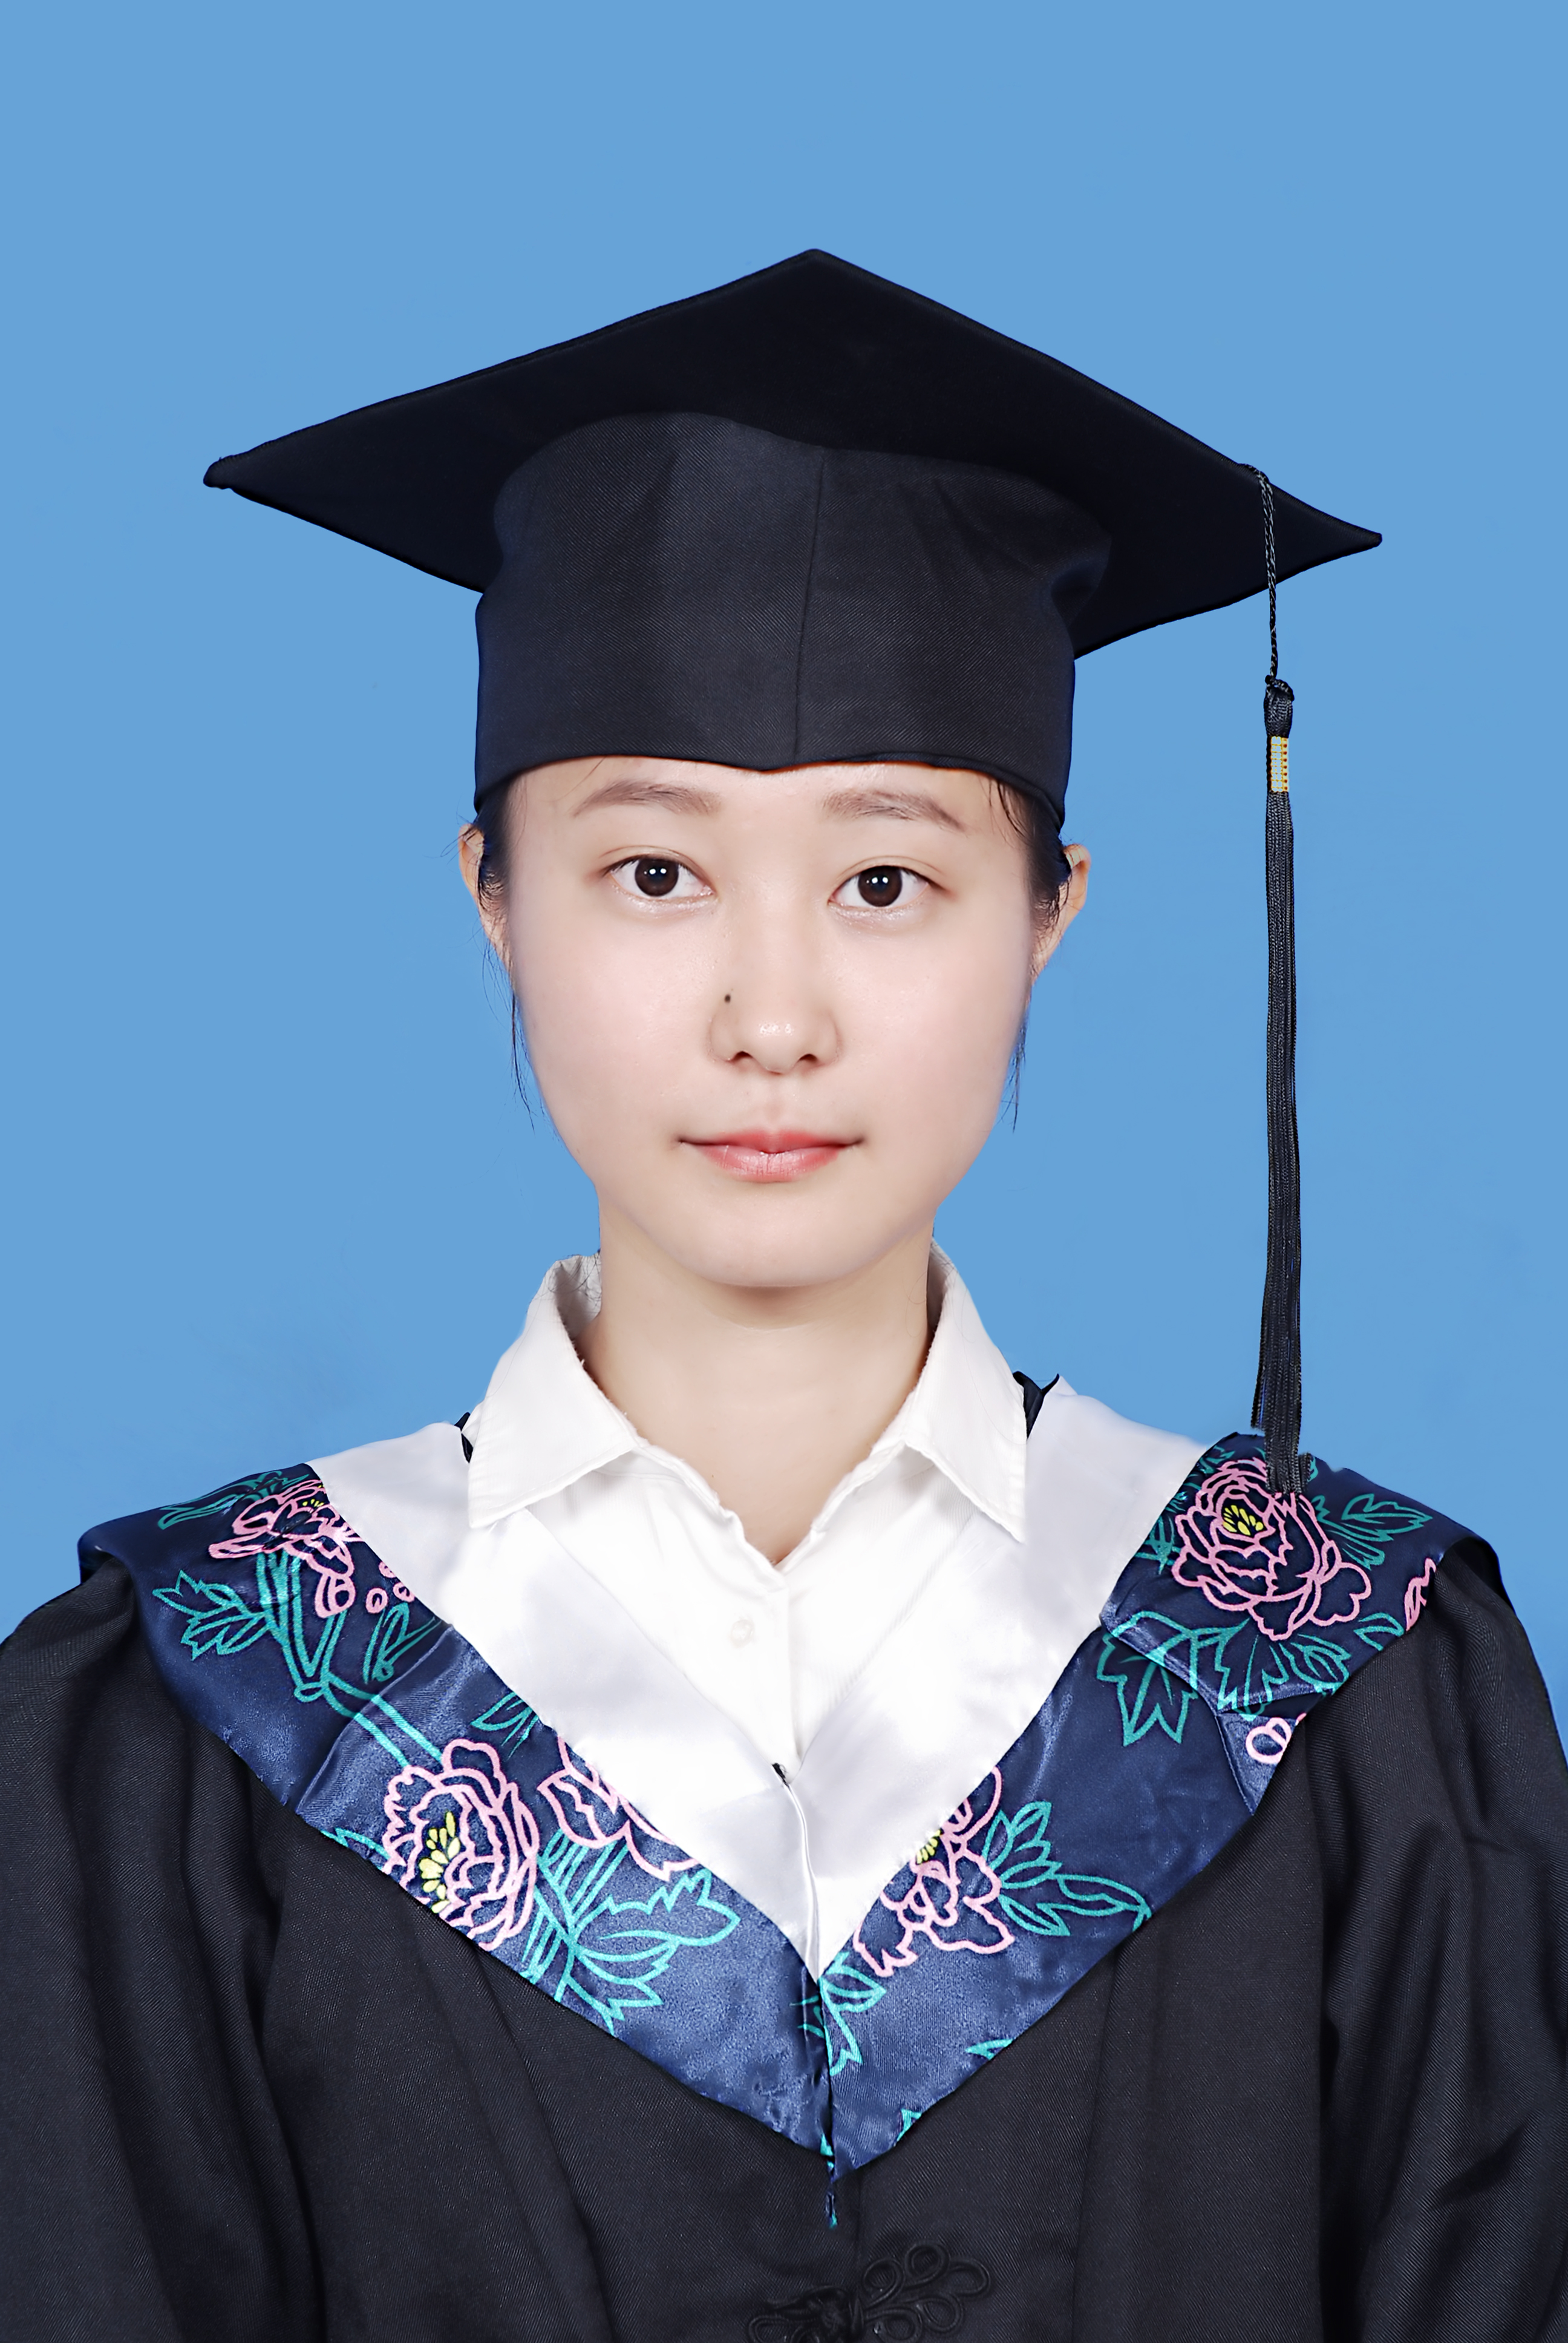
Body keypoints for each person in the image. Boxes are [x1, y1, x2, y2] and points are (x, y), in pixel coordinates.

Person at [3, 252, 1565, 2343]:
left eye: (887, 881)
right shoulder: (200, 1708)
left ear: (1051, 916)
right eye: (653, 874)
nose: (771, 1014)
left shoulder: (1338, 1674)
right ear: (493, 899)